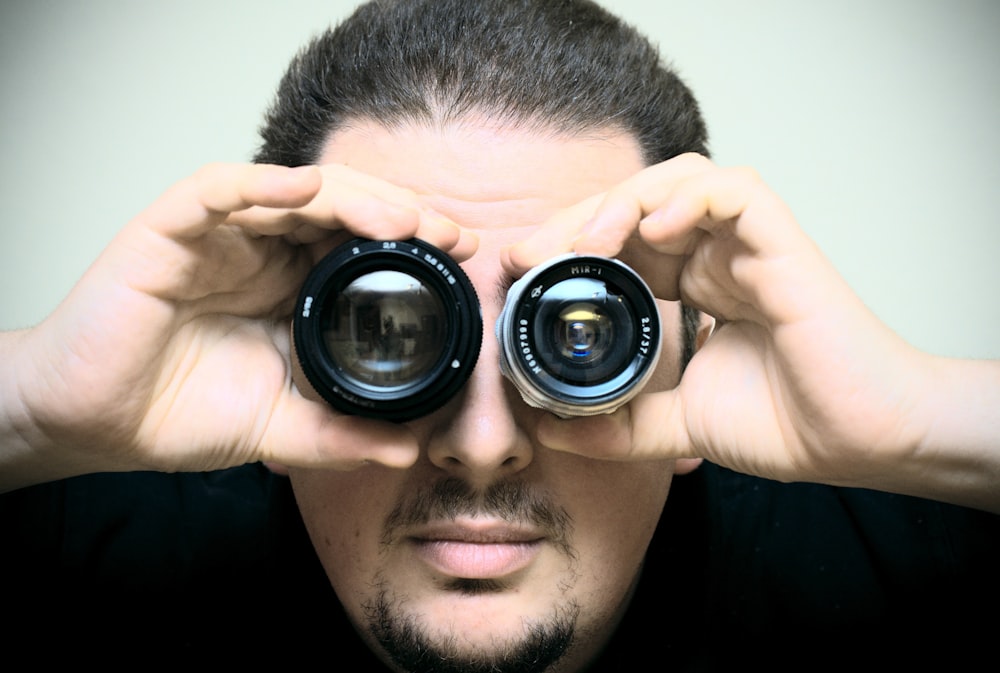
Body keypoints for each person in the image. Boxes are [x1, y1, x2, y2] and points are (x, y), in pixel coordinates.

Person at [2, 0, 998, 669]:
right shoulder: (87, 521)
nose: (481, 444)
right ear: (293, 345)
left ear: (685, 347)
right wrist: (35, 408)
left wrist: (917, 423)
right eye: (393, 333)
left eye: (572, 331)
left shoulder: (907, 543)